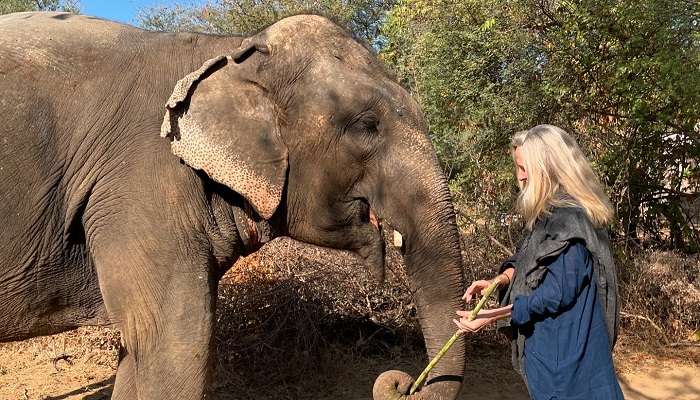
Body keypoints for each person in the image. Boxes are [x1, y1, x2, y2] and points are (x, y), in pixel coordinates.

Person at [454, 124, 624, 399]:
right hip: (552, 359)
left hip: (571, 369)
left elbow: (557, 292)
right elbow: (529, 259)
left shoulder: (571, 219)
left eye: (524, 168)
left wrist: (494, 315)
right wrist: (501, 279)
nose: (519, 177)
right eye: (518, 167)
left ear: (548, 169)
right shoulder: (550, 215)